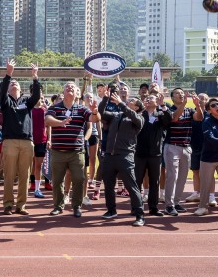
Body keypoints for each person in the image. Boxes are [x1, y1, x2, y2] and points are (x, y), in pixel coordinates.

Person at [0, 60, 42, 215]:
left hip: (27, 142)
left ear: (21, 88)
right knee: (9, 175)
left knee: (25, 175)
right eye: (11, 83)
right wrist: (9, 74)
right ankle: (8, 204)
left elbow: (36, 96)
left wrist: (35, 77)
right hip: (10, 141)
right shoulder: (5, 101)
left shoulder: (26, 102)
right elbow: (2, 91)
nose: (13, 84)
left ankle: (21, 205)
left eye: (16, 83)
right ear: (8, 88)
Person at [96, 80, 145, 226]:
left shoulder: (138, 118)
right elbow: (101, 112)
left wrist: (121, 104)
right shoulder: (117, 115)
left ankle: (139, 215)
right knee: (108, 185)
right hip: (110, 155)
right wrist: (105, 97)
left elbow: (133, 116)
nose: (129, 100)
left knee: (132, 186)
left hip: (125, 156)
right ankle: (111, 210)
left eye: (133, 101)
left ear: (137, 108)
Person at [44, 81, 94, 216]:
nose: (70, 88)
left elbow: (94, 119)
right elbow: (47, 120)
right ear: (63, 91)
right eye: (67, 86)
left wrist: (95, 111)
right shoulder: (55, 108)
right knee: (57, 181)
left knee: (79, 179)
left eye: (73, 87)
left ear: (77, 92)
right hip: (58, 151)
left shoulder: (82, 109)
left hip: (77, 151)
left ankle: (77, 206)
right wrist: (60, 123)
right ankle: (58, 206)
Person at [135, 93, 173, 216]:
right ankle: (136, 206)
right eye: (147, 98)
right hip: (139, 153)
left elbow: (169, 119)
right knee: (137, 181)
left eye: (151, 98)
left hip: (155, 154)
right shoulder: (140, 115)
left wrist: (163, 105)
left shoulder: (161, 115)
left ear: (157, 102)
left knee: (154, 182)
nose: (149, 100)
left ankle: (153, 207)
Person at [163, 88, 193, 216]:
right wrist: (184, 104)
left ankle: (176, 202)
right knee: (172, 176)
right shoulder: (169, 110)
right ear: (172, 98)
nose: (180, 94)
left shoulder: (190, 110)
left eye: (181, 93)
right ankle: (169, 205)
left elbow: (199, 117)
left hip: (186, 147)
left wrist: (199, 105)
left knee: (182, 177)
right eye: (177, 93)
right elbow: (174, 118)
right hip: (172, 146)